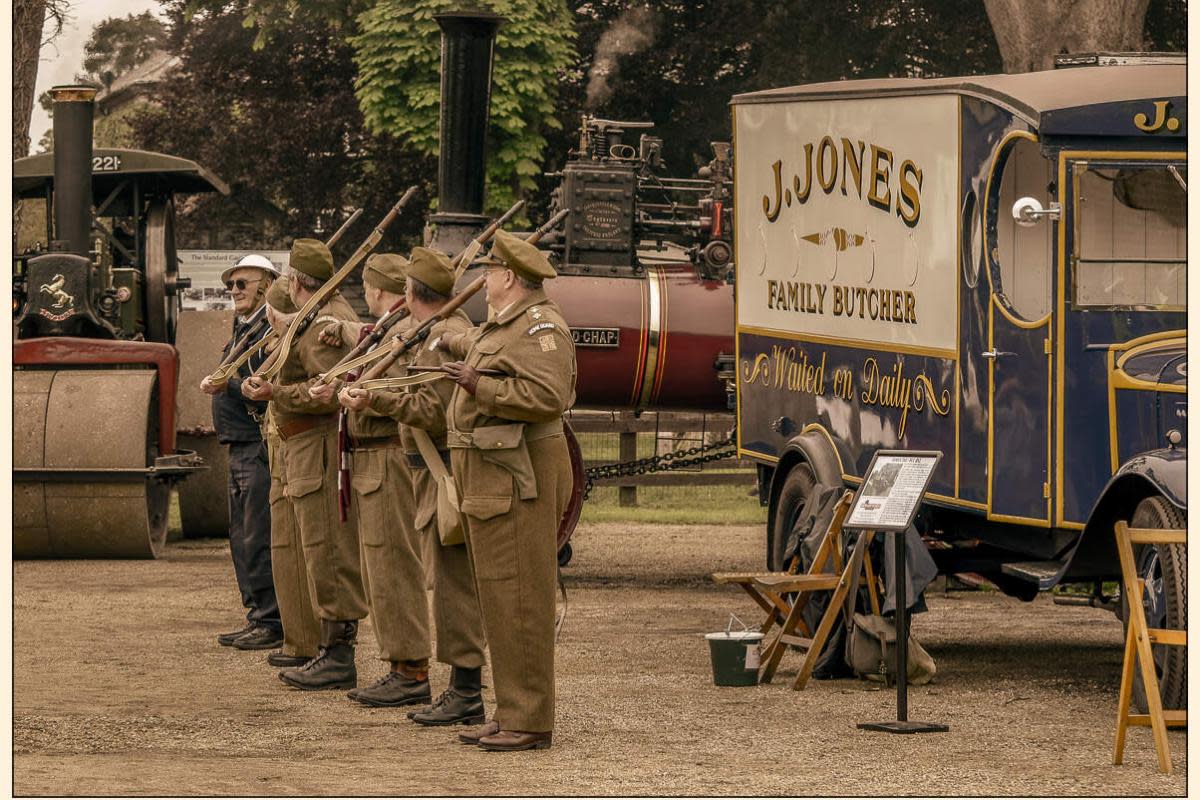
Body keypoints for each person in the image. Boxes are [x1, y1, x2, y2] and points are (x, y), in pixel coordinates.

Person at [439, 229, 576, 751]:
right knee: (500, 595)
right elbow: (479, 347)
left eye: (489, 272)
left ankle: (529, 720)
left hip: (521, 480)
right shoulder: (507, 323)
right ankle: (511, 710)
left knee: (521, 598)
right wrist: (448, 344)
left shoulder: (541, 326)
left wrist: (480, 386)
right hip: (500, 477)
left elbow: (548, 394)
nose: (484, 280)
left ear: (510, 278)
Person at [337, 248, 487, 724]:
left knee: (454, 582)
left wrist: (377, 401)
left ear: (409, 292)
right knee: (446, 581)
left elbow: (432, 411)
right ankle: (454, 687)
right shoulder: (435, 331)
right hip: (430, 469)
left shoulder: (446, 335)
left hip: (443, 469)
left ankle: (464, 691)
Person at [241, 238, 368, 691]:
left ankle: (337, 654)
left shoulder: (322, 326)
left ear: (294, 281)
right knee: (313, 549)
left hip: (317, 445)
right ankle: (323, 648)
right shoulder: (317, 319)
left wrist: (276, 394)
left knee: (327, 551)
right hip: (305, 445)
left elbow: (326, 391)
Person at [310, 252, 434, 708]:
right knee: (381, 570)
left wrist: (361, 393)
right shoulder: (388, 329)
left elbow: (397, 386)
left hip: (386, 458)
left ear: (376, 290)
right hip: (371, 462)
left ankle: (410, 669)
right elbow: (368, 342)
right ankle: (401, 665)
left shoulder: (403, 332)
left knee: (394, 569)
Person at [199, 253, 283, 651]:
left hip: (255, 443)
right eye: (231, 285)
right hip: (239, 443)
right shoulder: (245, 329)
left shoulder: (269, 329)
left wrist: (225, 384)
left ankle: (270, 619)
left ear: (266, 285)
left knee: (256, 535)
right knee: (241, 536)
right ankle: (258, 614)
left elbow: (261, 385)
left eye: (242, 284)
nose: (234, 291)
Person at [260, 279, 322, 669]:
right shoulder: (284, 339)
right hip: (284, 444)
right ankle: (299, 640)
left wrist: (275, 395)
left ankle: (316, 645)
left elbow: (322, 389)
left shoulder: (312, 336)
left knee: (310, 552)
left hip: (305, 445)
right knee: (287, 550)